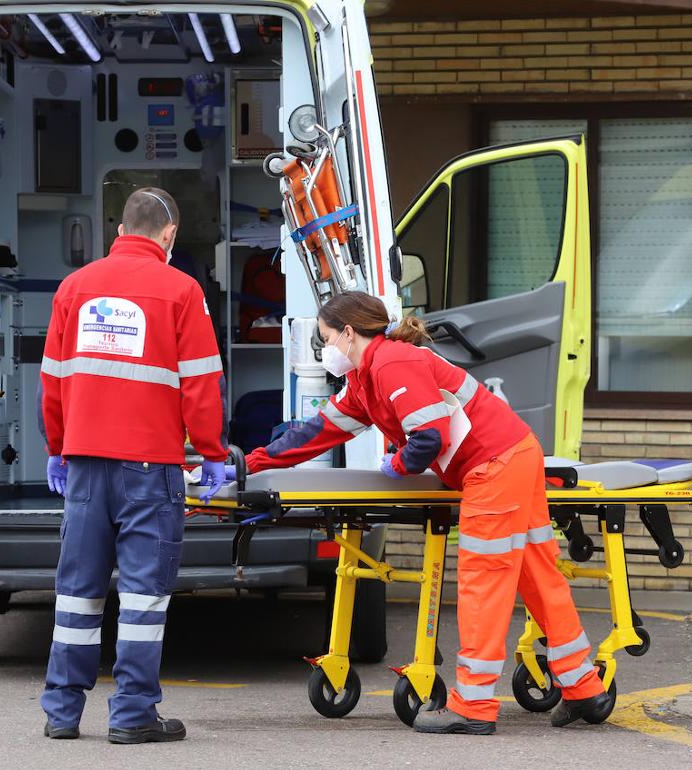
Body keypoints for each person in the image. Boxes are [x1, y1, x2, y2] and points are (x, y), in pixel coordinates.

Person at [244, 291, 612, 736]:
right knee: (536, 575)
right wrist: (251, 462)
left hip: (494, 466)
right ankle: (584, 689)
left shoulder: (393, 364)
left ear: (348, 332)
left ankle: (474, 706)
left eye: (326, 338)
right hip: (512, 455)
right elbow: (315, 432)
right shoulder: (366, 379)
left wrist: (395, 466)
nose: (326, 351)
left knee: (484, 580)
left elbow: (426, 439)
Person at [39, 187, 228, 744]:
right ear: (168, 235)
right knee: (143, 596)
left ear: (120, 229)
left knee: (77, 589)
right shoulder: (181, 290)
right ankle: (132, 715)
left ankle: (61, 713)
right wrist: (213, 453)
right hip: (151, 467)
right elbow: (200, 384)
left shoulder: (74, 287)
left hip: (85, 465)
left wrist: (58, 447)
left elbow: (51, 380)